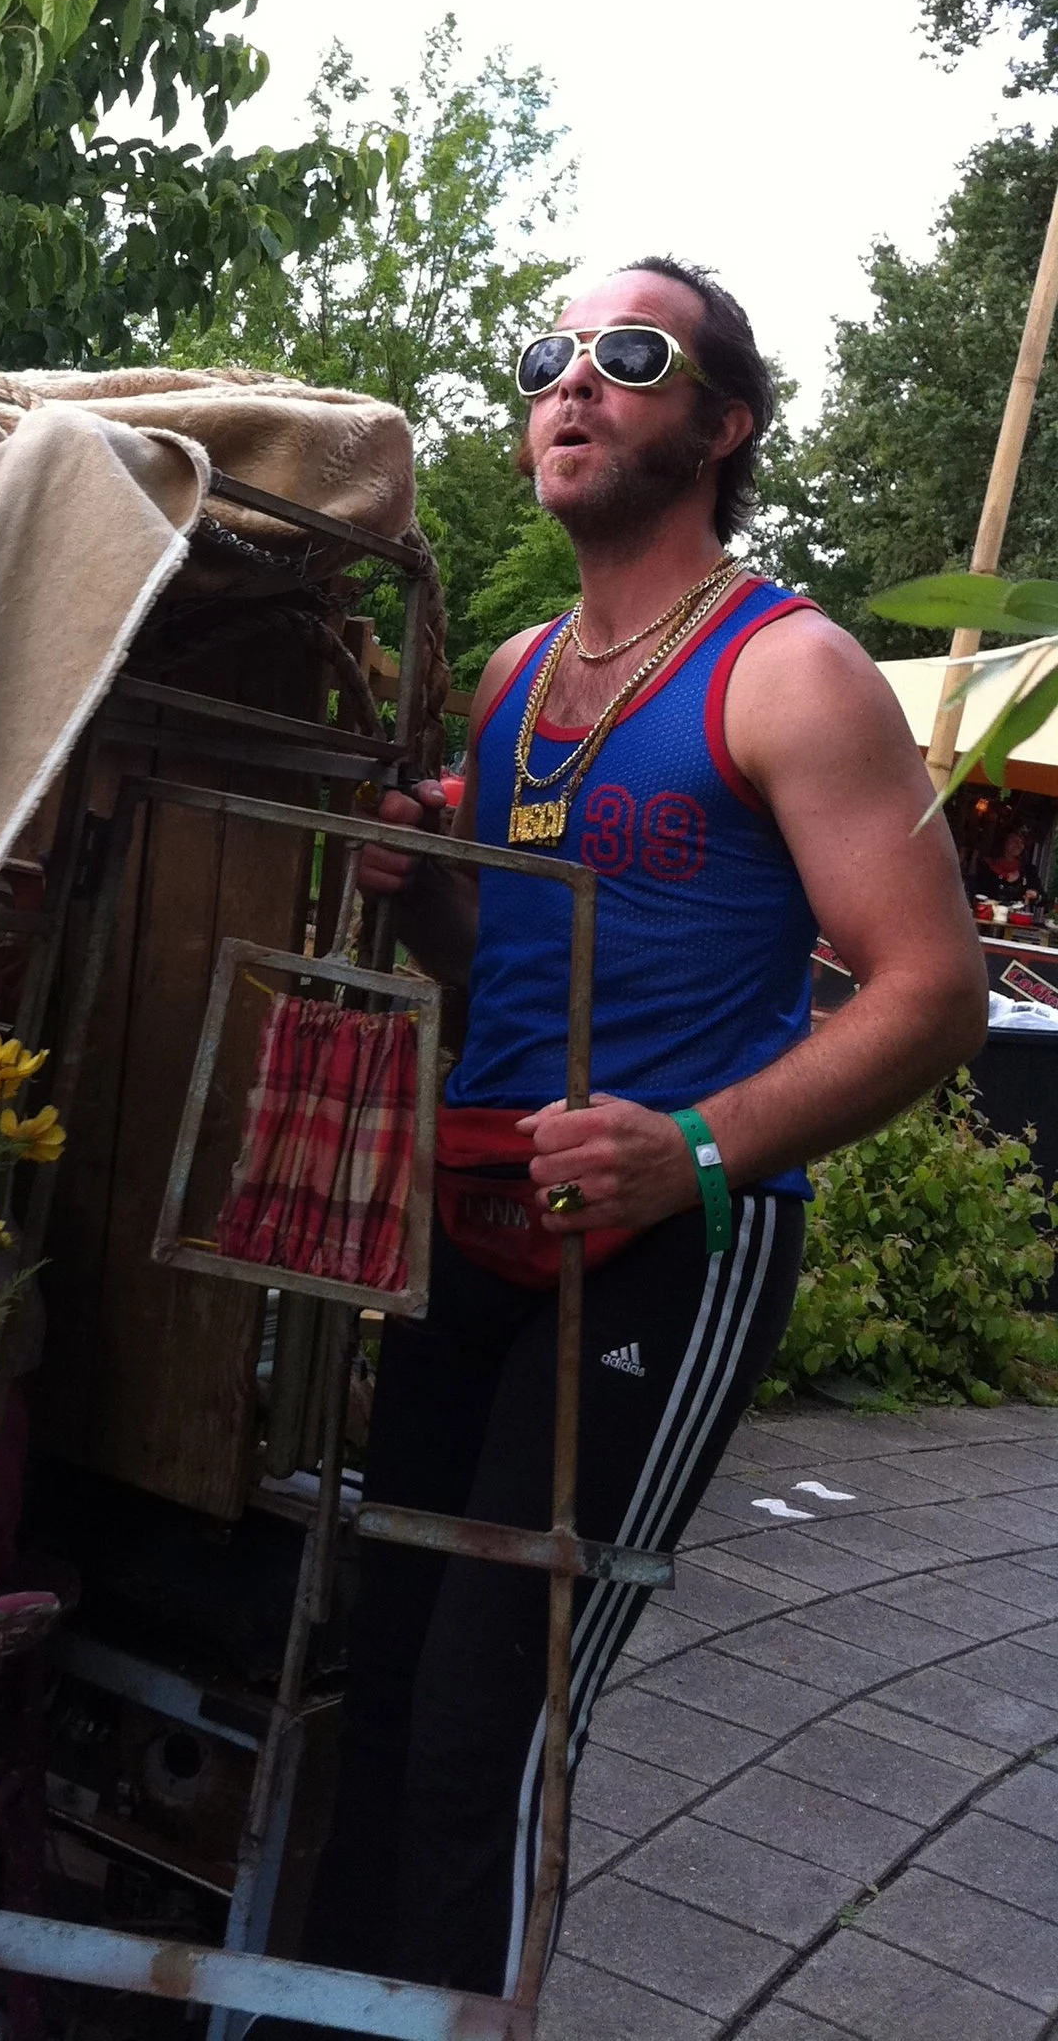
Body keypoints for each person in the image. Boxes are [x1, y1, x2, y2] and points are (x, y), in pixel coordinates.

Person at [299, 257, 987, 2005]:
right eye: (552, 353)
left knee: (491, 1715)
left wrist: (690, 1146)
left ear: (724, 423)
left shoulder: (793, 671)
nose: (573, 381)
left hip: (672, 1243)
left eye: (628, 353)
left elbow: (932, 992)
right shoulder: (515, 677)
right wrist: (418, 897)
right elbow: (497, 969)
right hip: (476, 1204)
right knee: (378, 1671)